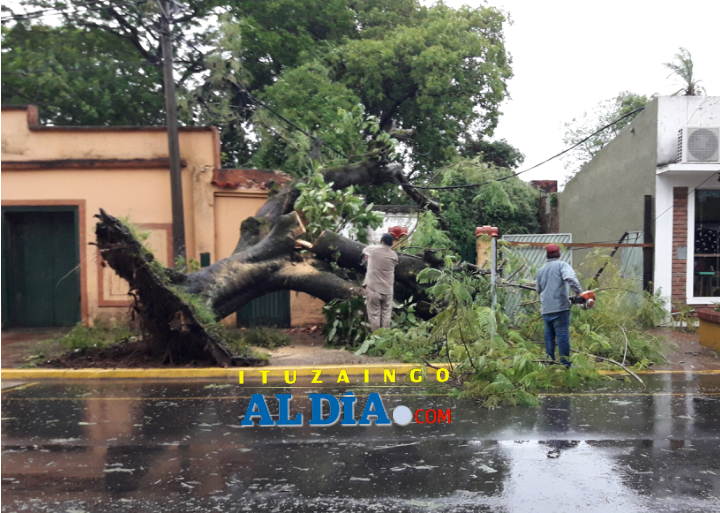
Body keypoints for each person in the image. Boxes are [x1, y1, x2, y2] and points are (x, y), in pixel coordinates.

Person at [536, 244, 582, 366]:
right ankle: (565, 364)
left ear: (546, 255)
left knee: (549, 336)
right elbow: (570, 279)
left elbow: (538, 290)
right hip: (560, 307)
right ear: (559, 254)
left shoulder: (541, 270)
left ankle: (550, 362)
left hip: (546, 309)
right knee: (562, 336)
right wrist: (580, 293)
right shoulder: (562, 265)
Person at [362, 233, 399, 332]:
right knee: (386, 316)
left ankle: (376, 338)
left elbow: (364, 250)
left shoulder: (372, 250)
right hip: (388, 291)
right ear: (391, 244)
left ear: (381, 241)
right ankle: (385, 340)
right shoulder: (394, 256)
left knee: (374, 315)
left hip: (374, 289)